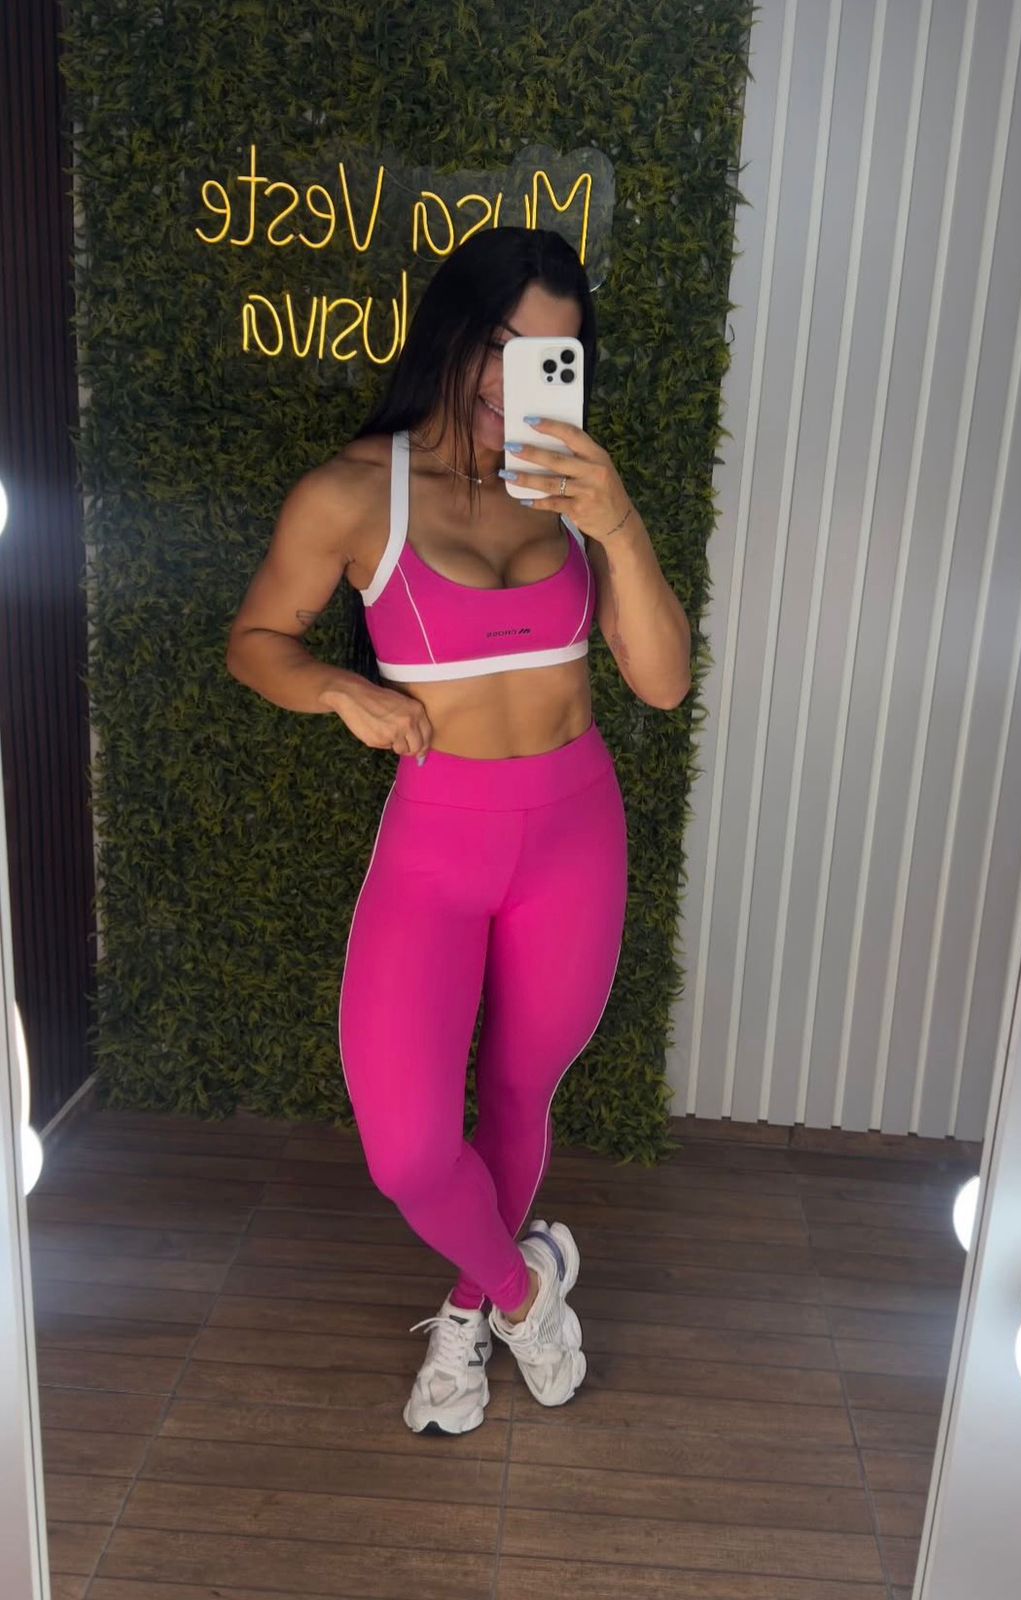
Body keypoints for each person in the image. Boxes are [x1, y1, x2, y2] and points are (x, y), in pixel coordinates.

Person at [226, 226, 691, 1436]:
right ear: (453, 332)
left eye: (548, 357)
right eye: (499, 344)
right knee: (408, 1149)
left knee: (520, 1091)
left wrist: (618, 521)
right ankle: (526, 1292)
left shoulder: (576, 492)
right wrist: (340, 688)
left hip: (572, 835)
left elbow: (660, 683)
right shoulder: (349, 494)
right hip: (438, 841)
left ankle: (468, 1309)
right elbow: (256, 640)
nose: (510, 380)